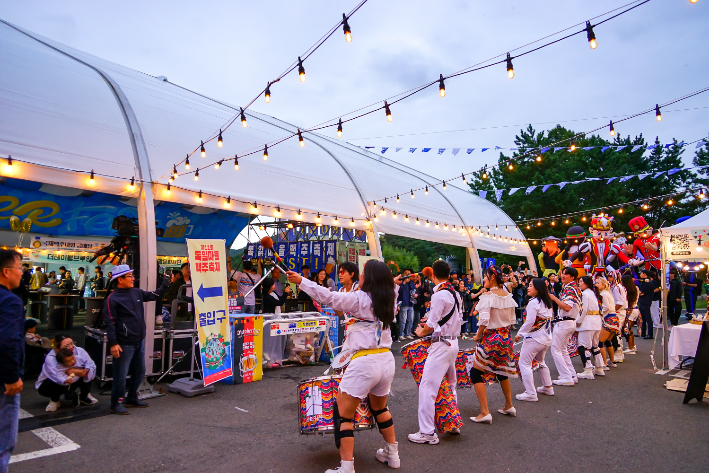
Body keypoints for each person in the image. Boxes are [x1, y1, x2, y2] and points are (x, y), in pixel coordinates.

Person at [286, 260, 400, 473]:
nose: (361, 276)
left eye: (364, 273)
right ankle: (393, 454)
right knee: (380, 408)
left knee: (344, 414)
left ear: (370, 278)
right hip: (385, 359)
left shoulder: (360, 299)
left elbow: (328, 297)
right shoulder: (390, 299)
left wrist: (302, 281)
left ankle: (347, 467)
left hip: (364, 361)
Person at [408, 260, 462, 444]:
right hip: (453, 343)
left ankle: (427, 432)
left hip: (441, 345)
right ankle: (452, 422)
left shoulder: (440, 295)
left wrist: (420, 332)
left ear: (432, 275)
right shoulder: (455, 293)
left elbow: (430, 325)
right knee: (451, 385)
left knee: (427, 388)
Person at [103, 265, 169, 414]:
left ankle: (131, 398)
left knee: (140, 371)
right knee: (120, 375)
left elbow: (154, 295)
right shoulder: (112, 299)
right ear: (119, 280)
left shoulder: (136, 292)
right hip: (123, 343)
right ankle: (117, 403)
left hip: (139, 340)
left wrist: (164, 284)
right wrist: (113, 343)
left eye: (133, 275)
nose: (133, 278)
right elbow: (110, 323)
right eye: (129, 276)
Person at [469, 265, 518, 424]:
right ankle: (509, 405)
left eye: (485, 276)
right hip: (505, 337)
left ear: (491, 277)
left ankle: (484, 412)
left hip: (491, 337)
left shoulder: (488, 296)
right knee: (501, 371)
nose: (483, 279)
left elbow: (483, 320)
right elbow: (511, 320)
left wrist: (478, 335)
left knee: (476, 373)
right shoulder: (508, 296)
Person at [0, 249, 25, 471]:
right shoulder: (10, 301)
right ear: (6, 272)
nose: (22, 273)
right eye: (20, 268)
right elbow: (8, 341)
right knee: (3, 444)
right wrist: (11, 377)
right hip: (3, 382)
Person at [514, 278, 554, 401]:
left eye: (531, 286)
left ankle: (531, 393)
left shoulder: (533, 302)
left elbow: (530, 321)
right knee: (541, 362)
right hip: (546, 338)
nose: (528, 287)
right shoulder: (546, 302)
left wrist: (519, 334)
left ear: (537, 289)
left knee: (524, 363)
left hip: (534, 338)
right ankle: (548, 386)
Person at [36, 334, 97, 411]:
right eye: (66, 346)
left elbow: (90, 365)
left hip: (75, 377)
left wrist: (77, 371)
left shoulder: (79, 351)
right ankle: (54, 400)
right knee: (53, 381)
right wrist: (78, 373)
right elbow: (56, 376)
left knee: (89, 373)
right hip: (55, 382)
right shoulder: (51, 359)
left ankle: (84, 395)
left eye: (72, 343)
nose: (71, 347)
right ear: (57, 349)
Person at [548, 267, 581, 386]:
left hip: (565, 322)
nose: (563, 275)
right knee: (562, 349)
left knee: (556, 349)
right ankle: (571, 374)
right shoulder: (572, 288)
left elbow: (567, 307)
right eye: (562, 273)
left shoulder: (570, 289)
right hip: (569, 322)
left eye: (566, 274)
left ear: (572, 277)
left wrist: (553, 298)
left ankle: (566, 376)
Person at [575, 276, 605, 380]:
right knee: (595, 346)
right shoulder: (593, 293)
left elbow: (583, 310)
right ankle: (599, 367)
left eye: (581, 282)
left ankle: (588, 369)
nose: (579, 283)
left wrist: (578, 321)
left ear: (587, 283)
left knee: (584, 346)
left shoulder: (584, 294)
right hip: (596, 322)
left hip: (587, 323)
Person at [595, 277, 619, 368]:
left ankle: (604, 363)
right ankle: (612, 361)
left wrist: (600, 316)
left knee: (600, 342)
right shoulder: (607, 293)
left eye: (598, 283)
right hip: (614, 319)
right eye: (596, 283)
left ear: (603, 284)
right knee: (608, 341)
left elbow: (606, 307)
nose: (596, 285)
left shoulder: (604, 294)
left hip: (608, 319)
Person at [610, 272, 628, 361]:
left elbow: (619, 303)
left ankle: (619, 352)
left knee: (616, 332)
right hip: (617, 311)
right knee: (614, 332)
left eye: (610, 276)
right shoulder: (614, 287)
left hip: (619, 312)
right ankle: (617, 352)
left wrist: (613, 311)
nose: (609, 278)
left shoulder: (618, 288)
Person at [622, 275, 640, 354]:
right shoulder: (636, 288)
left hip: (630, 310)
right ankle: (632, 346)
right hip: (635, 309)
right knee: (629, 329)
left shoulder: (627, 290)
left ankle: (631, 347)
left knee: (627, 329)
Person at [397, 269, 416, 340]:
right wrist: (404, 282)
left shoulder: (412, 283)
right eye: (405, 273)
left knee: (410, 320)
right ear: (403, 274)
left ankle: (408, 333)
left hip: (411, 303)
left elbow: (414, 291)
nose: (407, 275)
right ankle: (401, 334)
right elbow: (398, 291)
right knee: (403, 320)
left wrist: (415, 295)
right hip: (403, 303)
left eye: (409, 273)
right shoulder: (401, 282)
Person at [637, 269, 655, 339]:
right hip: (642, 301)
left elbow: (642, 292)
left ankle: (650, 334)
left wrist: (640, 292)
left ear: (645, 274)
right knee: (643, 318)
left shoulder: (648, 282)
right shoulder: (643, 281)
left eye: (641, 273)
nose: (640, 275)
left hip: (646, 301)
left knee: (647, 318)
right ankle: (643, 332)